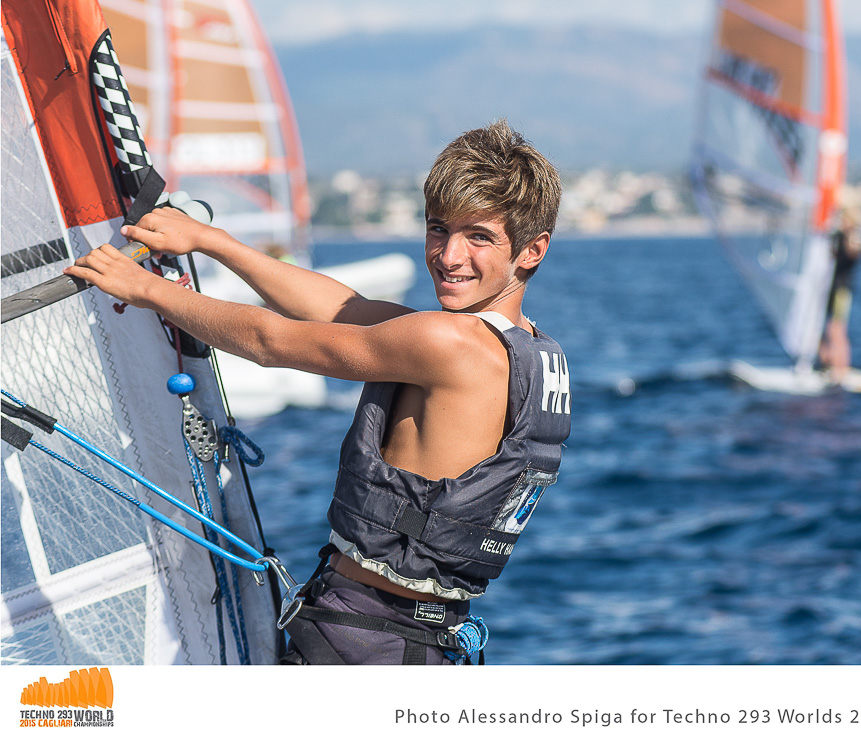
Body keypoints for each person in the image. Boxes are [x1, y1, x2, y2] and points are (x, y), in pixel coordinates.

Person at [65, 120, 572, 664]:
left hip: (363, 643)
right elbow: (343, 309)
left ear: (532, 250)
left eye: (479, 237)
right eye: (438, 229)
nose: (449, 256)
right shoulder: (535, 356)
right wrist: (212, 242)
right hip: (424, 642)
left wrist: (147, 289)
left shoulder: (447, 342)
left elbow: (268, 341)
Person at [818, 206, 861, 382]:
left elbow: (852, 255)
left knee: (836, 329)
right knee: (819, 328)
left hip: (841, 289)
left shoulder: (855, 238)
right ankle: (827, 364)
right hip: (827, 287)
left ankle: (841, 369)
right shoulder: (837, 237)